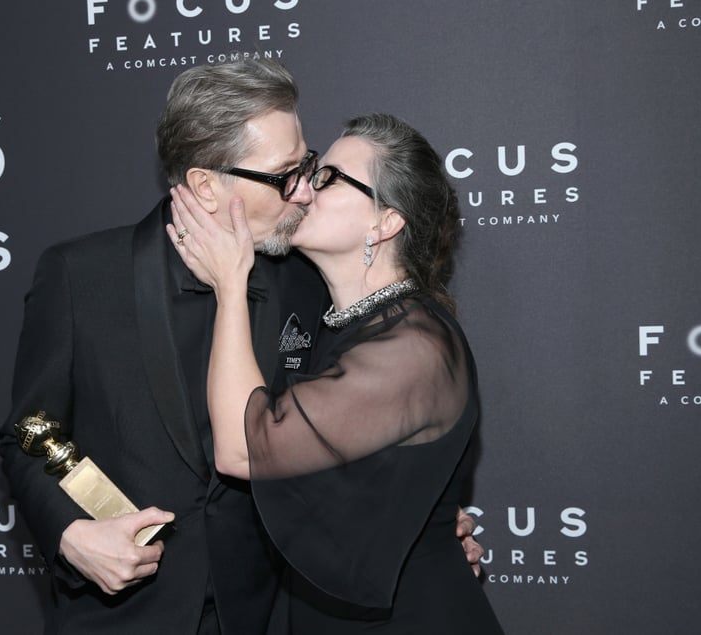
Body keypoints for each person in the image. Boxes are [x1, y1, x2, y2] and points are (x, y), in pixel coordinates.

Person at [0, 60, 484, 635]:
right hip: (125, 618)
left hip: (271, 615)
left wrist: (417, 529)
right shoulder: (82, 276)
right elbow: (28, 432)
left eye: (308, 166)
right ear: (205, 184)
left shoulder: (313, 280)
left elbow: (364, 434)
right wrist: (69, 534)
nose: (304, 190)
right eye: (285, 175)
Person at [169, 113, 504, 632]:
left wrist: (229, 285)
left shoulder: (413, 347)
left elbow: (240, 449)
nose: (301, 189)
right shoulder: (337, 324)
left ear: (385, 222)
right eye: (307, 171)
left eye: (326, 178)